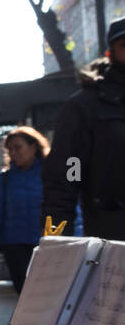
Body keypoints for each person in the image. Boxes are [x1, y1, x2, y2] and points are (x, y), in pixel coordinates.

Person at [43, 16, 125, 241]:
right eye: (124, 45)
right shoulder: (85, 107)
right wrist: (57, 239)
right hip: (114, 240)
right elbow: (68, 173)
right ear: (110, 53)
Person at [0, 127, 49, 295]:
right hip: (15, 246)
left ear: (34, 146)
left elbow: (68, 207)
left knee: (48, 294)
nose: (14, 153)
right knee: (24, 295)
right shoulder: (5, 179)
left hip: (47, 243)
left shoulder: (51, 174)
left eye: (18, 147)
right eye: (10, 149)